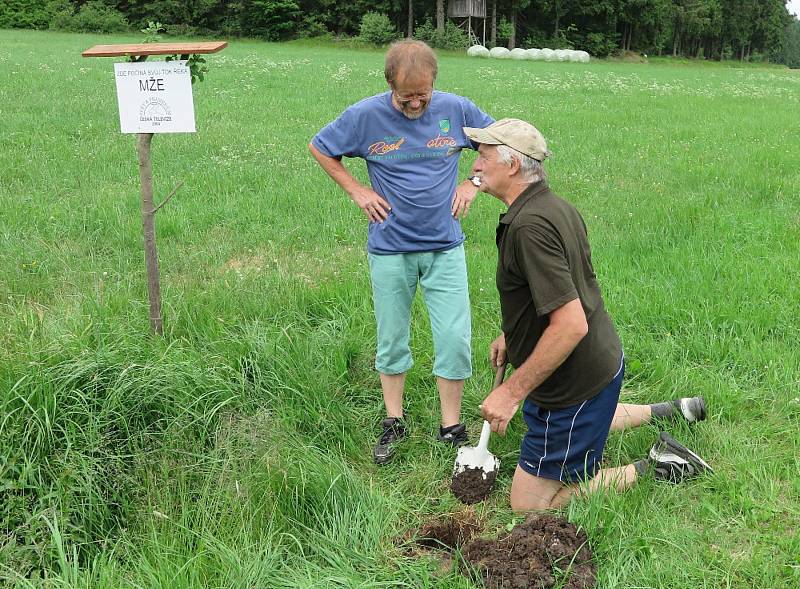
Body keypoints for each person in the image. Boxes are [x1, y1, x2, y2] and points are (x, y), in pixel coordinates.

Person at [463, 118, 713, 510]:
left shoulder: (529, 227)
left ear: (512, 165)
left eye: (483, 156)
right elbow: (554, 291)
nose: (475, 166)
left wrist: (512, 391)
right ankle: (669, 411)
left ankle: (658, 464)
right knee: (593, 418)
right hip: (602, 363)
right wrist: (514, 334)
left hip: (572, 386)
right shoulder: (554, 207)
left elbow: (570, 323)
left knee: (527, 505)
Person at [309, 40, 494, 465]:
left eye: (422, 95)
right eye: (405, 96)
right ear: (390, 84)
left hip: (445, 248)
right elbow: (320, 146)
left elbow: (497, 143)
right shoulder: (365, 116)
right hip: (390, 249)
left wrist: (474, 183)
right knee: (392, 339)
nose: (414, 104)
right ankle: (393, 421)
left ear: (434, 84)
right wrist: (357, 189)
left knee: (454, 338)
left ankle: (451, 426)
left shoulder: (457, 110)